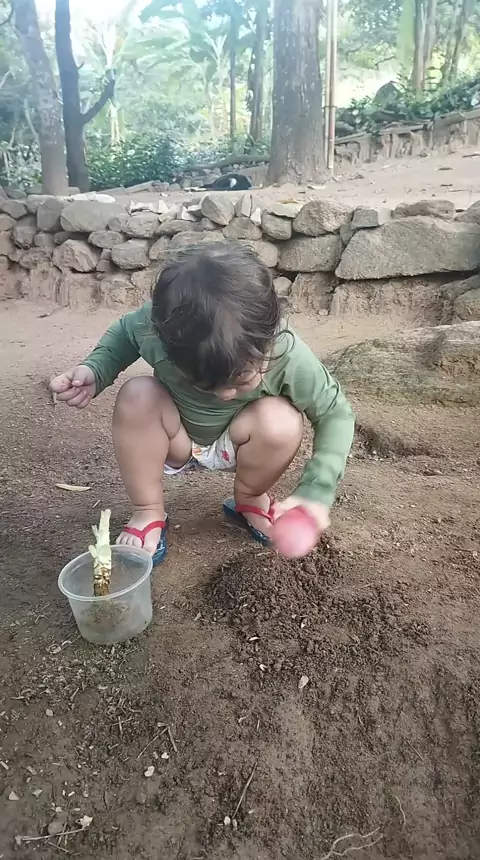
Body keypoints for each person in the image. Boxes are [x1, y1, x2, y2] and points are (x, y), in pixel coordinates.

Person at [50, 243, 354, 563]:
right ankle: (148, 510)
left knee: (283, 421)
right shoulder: (153, 329)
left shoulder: (287, 353)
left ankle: (250, 498)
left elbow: (334, 412)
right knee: (137, 395)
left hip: (240, 442)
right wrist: (96, 370)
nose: (225, 394)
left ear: (269, 340)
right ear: (162, 339)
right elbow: (124, 335)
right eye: (202, 384)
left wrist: (317, 490)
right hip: (175, 436)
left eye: (241, 381)